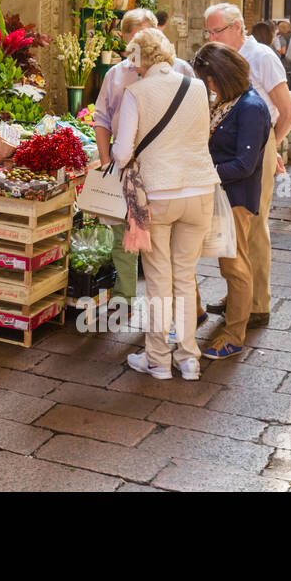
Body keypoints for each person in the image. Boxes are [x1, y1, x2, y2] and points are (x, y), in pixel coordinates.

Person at [110, 28, 218, 381]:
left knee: (158, 278)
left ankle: (158, 358)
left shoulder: (136, 92)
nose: (132, 66)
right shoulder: (198, 88)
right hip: (200, 190)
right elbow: (200, 137)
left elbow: (123, 152)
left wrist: (116, 151)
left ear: (140, 58)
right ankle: (189, 359)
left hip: (158, 195)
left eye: (133, 59)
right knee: (186, 276)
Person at [202, 3, 291, 329]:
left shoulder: (263, 57)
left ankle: (257, 305)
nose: (212, 37)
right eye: (209, 32)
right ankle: (238, 295)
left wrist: (269, 147)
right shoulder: (227, 59)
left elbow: (288, 112)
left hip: (255, 146)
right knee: (237, 232)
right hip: (243, 145)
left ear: (238, 27)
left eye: (217, 31)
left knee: (253, 227)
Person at [92, 8, 194, 304]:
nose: (142, 42)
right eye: (134, 35)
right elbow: (101, 118)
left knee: (163, 241)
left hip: (164, 169)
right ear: (123, 37)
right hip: (124, 167)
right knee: (123, 235)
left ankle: (166, 304)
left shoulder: (182, 71)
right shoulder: (115, 74)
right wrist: (106, 162)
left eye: (148, 34)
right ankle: (124, 296)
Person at [191, 43, 271, 360]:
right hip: (216, 192)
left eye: (210, 79)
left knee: (234, 266)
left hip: (236, 198)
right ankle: (194, 314)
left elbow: (244, 165)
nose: (208, 86)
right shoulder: (230, 101)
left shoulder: (251, 107)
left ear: (223, 75)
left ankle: (234, 334)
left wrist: (202, 172)